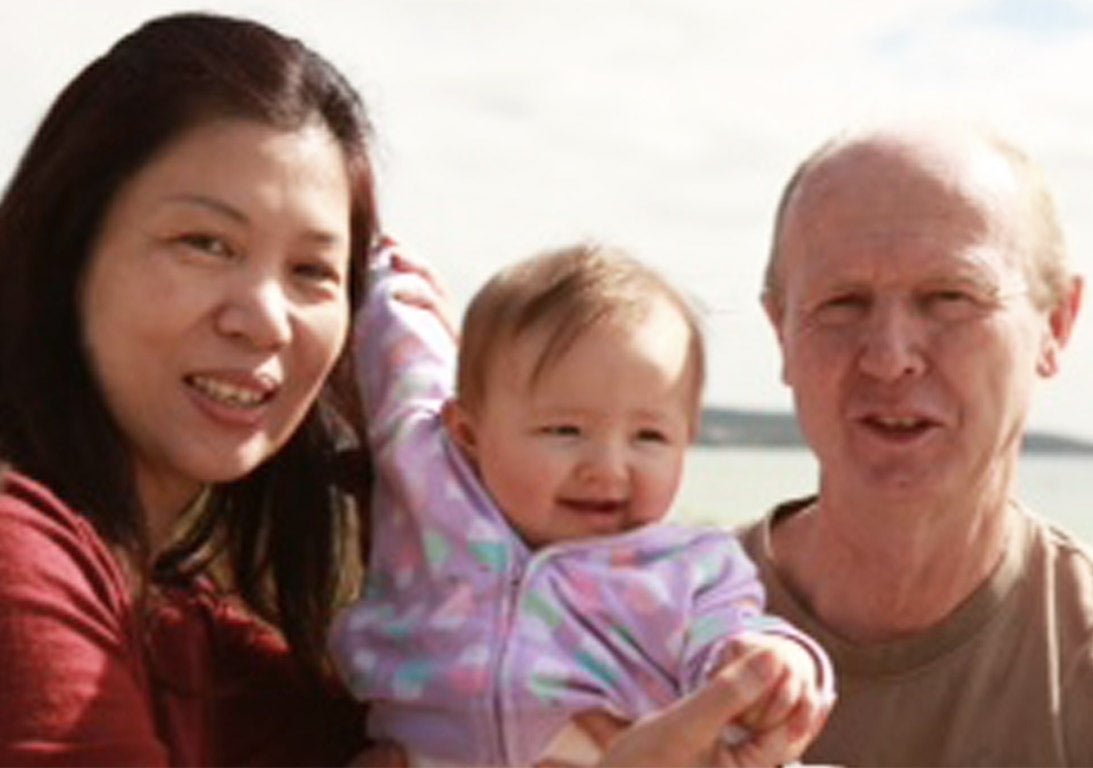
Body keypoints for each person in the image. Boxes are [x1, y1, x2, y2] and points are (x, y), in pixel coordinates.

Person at [0, 12, 380, 765]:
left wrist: (437, 465)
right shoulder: (18, 563)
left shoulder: (195, 646)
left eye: (312, 272)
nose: (266, 320)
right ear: (69, 252)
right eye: (204, 244)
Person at [329, 240, 835, 766]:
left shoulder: (687, 571)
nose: (608, 467)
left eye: (650, 437)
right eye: (565, 430)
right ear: (468, 431)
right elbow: (403, 370)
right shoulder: (430, 476)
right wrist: (382, 272)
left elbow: (734, 634)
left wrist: (781, 662)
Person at [736, 121, 1091, 765]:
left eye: (950, 297)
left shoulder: (1079, 659)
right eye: (842, 302)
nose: (890, 357)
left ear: (1057, 326)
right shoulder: (645, 620)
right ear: (780, 330)